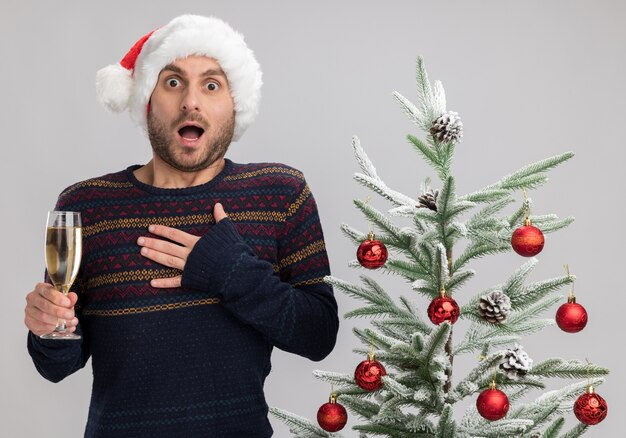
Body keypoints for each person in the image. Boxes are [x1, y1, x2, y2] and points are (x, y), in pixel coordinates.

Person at [24, 14, 339, 437]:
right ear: (147, 99)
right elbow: (56, 366)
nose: (191, 101)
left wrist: (231, 271)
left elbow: (318, 335)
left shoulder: (281, 194)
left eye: (211, 85)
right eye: (173, 82)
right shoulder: (85, 207)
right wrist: (49, 329)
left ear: (234, 103)